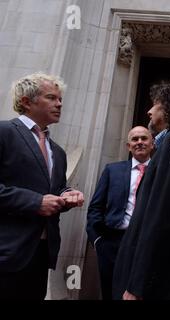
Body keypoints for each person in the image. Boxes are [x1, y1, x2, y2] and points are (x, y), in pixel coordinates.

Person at [113, 80, 170, 300]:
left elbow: (161, 215)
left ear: (169, 107)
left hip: (159, 282)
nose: (149, 110)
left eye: (154, 104)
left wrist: (138, 284)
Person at [0, 72, 84, 300]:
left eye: (60, 99)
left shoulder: (58, 151)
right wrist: (35, 202)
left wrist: (67, 195)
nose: (59, 104)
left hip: (41, 254)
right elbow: (39, 199)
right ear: (27, 101)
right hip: (7, 251)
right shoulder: (5, 132)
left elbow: (54, 191)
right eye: (51, 98)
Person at [86, 126, 153, 300]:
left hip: (148, 242)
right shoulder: (112, 170)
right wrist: (98, 240)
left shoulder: (160, 172)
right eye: (135, 139)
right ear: (128, 146)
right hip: (113, 242)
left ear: (152, 144)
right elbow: (95, 207)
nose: (139, 142)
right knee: (113, 293)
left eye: (144, 138)